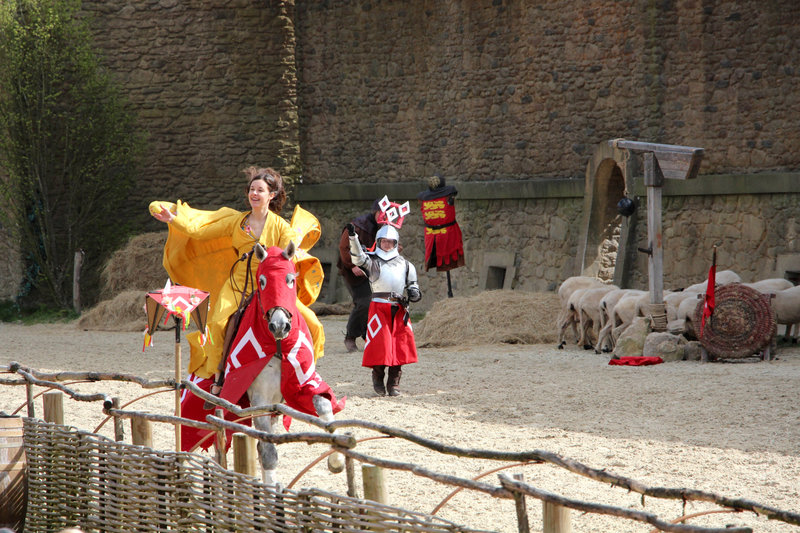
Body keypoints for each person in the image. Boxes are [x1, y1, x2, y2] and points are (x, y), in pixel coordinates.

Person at [149, 166, 326, 395]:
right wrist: (174, 220)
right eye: (251, 189)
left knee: (313, 323)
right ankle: (219, 375)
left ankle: (308, 375)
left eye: (260, 190)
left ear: (271, 195)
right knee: (217, 325)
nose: (254, 194)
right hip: (237, 285)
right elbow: (200, 231)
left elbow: (286, 255)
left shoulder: (282, 227)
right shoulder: (236, 222)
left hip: (270, 288)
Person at [347, 220, 421, 396]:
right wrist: (353, 238)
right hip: (379, 309)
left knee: (398, 347)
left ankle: (394, 383)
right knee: (381, 346)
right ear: (379, 242)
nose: (387, 245)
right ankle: (378, 379)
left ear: (396, 243)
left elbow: (413, 286)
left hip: (399, 310)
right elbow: (358, 258)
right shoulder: (372, 262)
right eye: (384, 241)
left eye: (390, 242)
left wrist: (414, 293)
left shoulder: (406, 265)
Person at [337, 199, 381, 352]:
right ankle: (350, 336)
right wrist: (353, 264)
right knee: (364, 302)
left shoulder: (384, 228)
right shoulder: (358, 226)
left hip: (371, 269)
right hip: (353, 271)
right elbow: (344, 248)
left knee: (375, 303)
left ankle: (368, 334)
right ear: (375, 212)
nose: (383, 216)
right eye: (380, 213)